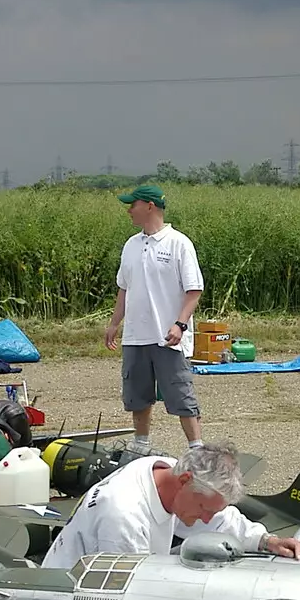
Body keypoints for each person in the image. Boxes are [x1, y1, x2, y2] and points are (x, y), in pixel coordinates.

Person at [41, 438, 300, 568]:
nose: (206, 519)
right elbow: (129, 588)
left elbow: (220, 518)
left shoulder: (170, 471)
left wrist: (267, 541)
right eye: (203, 509)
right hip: (70, 597)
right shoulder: (122, 514)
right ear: (184, 481)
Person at [102, 184, 205, 457]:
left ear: (149, 206)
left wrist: (180, 325)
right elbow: (124, 288)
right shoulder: (131, 245)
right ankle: (141, 445)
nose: (128, 210)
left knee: (180, 393)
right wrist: (115, 324)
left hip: (168, 336)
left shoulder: (178, 243)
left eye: (132, 205)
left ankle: (196, 449)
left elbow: (193, 290)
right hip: (136, 335)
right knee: (137, 394)